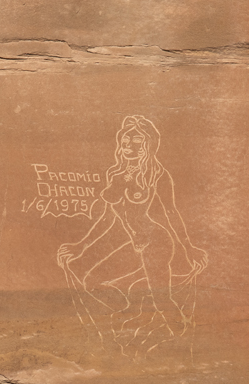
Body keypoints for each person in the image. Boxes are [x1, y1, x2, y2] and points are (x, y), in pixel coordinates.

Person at [56, 115, 207, 355]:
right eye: (126, 141)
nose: (129, 146)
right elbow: (108, 218)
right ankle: (133, 311)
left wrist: (189, 249)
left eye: (137, 141)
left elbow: (171, 214)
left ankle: (182, 345)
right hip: (134, 243)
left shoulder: (158, 176)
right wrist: (81, 246)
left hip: (156, 242)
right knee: (93, 282)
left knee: (162, 301)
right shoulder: (114, 174)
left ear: (149, 144)